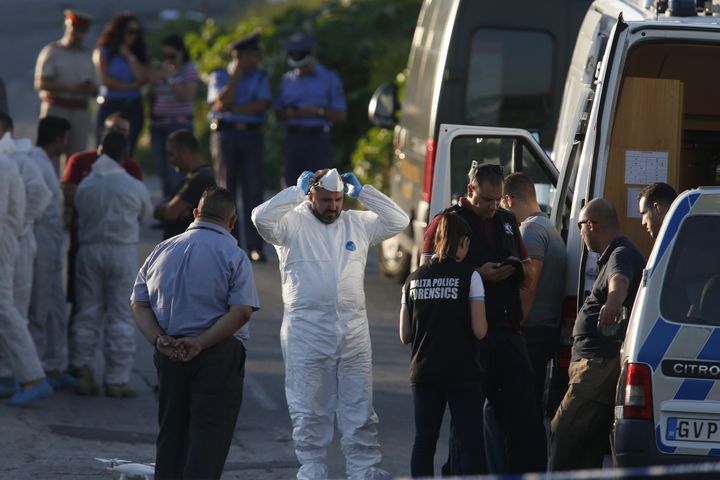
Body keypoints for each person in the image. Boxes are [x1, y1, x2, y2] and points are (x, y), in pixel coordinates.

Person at [252, 168, 408, 480]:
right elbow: (260, 219)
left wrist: (364, 193)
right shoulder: (290, 224)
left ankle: (363, 469)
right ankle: (312, 469)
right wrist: (293, 193)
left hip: (353, 331)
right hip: (305, 330)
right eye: (326, 200)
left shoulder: (356, 223)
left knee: (360, 406)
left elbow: (399, 221)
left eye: (338, 200)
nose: (333, 207)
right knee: (308, 406)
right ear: (311, 195)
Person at [421, 162, 545, 474]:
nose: (492, 207)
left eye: (498, 200)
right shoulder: (448, 221)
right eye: (486, 200)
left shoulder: (506, 221)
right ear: (470, 191)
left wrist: (515, 268)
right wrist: (476, 275)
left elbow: (530, 273)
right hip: (467, 339)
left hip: (508, 331)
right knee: (467, 427)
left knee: (524, 421)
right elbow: (427, 276)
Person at [132, 186, 260, 480]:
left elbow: (139, 303)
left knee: (171, 434)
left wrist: (158, 339)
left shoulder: (162, 249)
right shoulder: (234, 255)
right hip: (216, 353)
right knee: (208, 438)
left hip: (168, 351)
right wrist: (200, 343)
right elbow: (241, 311)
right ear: (231, 221)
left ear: (195, 213)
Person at [549, 198, 644, 471]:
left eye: (580, 227)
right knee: (588, 444)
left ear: (591, 225)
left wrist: (613, 301)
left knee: (563, 431)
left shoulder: (620, 253)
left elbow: (620, 280)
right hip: (595, 364)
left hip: (597, 365)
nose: (580, 234)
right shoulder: (615, 253)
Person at [401, 211, 488, 477]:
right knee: (471, 441)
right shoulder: (470, 277)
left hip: (424, 372)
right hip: (462, 372)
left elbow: (405, 334)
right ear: (462, 243)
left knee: (424, 441)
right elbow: (480, 330)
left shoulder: (412, 279)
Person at [69, 131, 152, 398]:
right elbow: (145, 217)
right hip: (121, 251)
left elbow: (77, 211)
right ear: (125, 155)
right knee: (119, 314)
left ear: (101, 150)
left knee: (87, 312)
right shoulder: (133, 185)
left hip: (89, 251)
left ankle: (82, 371)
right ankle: (116, 379)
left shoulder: (86, 184)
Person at [62, 112, 143, 311]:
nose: (118, 135)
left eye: (123, 132)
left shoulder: (131, 167)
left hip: (120, 246)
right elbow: (70, 198)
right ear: (102, 131)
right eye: (113, 130)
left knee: (119, 313)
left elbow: (141, 210)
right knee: (82, 311)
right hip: (83, 244)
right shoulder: (80, 160)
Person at [502, 172, 566, 421]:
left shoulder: (531, 231)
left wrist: (514, 325)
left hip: (531, 332)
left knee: (518, 407)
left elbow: (528, 284)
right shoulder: (548, 227)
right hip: (544, 330)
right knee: (529, 406)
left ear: (509, 199)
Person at [0, 114, 54, 407]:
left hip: (8, 243)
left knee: (7, 310)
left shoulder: (6, 162)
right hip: (10, 241)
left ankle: (33, 377)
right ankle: (9, 375)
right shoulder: (8, 161)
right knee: (7, 310)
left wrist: (20, 226)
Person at [207, 32, 271, 260]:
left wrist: (232, 108)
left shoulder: (260, 76)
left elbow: (261, 105)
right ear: (241, 56)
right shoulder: (220, 75)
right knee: (226, 191)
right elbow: (221, 101)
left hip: (251, 135)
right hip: (226, 135)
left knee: (253, 190)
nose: (257, 59)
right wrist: (235, 77)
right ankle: (229, 244)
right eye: (254, 55)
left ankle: (255, 247)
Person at [26, 116, 76, 389]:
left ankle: (55, 365)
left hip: (53, 241)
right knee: (39, 304)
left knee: (55, 306)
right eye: (65, 138)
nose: (66, 143)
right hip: (41, 238)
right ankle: (33, 368)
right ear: (57, 139)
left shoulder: (46, 162)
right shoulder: (35, 160)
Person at [275, 33, 346, 188]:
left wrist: (317, 112)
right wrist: (291, 113)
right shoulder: (287, 80)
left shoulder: (329, 78)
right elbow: (278, 113)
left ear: (312, 55)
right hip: (293, 139)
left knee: (317, 187)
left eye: (303, 64)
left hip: (317, 139)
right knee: (290, 187)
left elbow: (340, 114)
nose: (300, 68)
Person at [34, 9, 97, 161]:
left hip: (79, 109)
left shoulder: (88, 55)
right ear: (66, 27)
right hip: (56, 107)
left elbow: (96, 87)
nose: (77, 33)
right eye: (74, 28)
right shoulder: (52, 51)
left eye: (81, 30)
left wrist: (87, 89)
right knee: (49, 156)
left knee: (76, 157)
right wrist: (68, 87)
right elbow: (41, 82)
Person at [148, 34, 200, 198]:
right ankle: (168, 207)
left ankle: (179, 208)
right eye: (165, 56)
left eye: (172, 56)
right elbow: (152, 95)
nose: (168, 59)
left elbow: (187, 95)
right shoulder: (162, 69)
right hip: (158, 125)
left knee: (177, 170)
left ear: (181, 52)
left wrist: (170, 80)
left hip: (178, 124)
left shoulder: (189, 70)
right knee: (163, 169)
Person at [93, 12, 149, 155]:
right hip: (111, 103)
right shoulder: (103, 52)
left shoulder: (136, 53)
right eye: (130, 32)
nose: (133, 36)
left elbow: (142, 78)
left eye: (137, 32)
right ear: (119, 32)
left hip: (133, 105)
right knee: (104, 147)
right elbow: (106, 81)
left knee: (128, 150)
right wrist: (131, 86)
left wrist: (129, 56)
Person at [153, 129, 216, 239]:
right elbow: (168, 210)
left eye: (171, 154)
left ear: (183, 151)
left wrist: (164, 209)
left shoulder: (199, 179)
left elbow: (171, 212)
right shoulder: (194, 176)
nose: (169, 160)